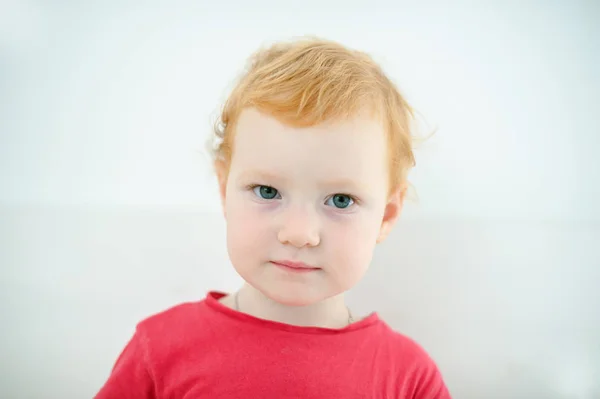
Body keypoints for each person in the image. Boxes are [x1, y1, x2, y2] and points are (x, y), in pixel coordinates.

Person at [95, 36, 451, 398]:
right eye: (268, 192)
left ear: (387, 216)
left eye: (341, 200)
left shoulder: (409, 378)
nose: (298, 234)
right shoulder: (159, 349)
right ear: (224, 190)